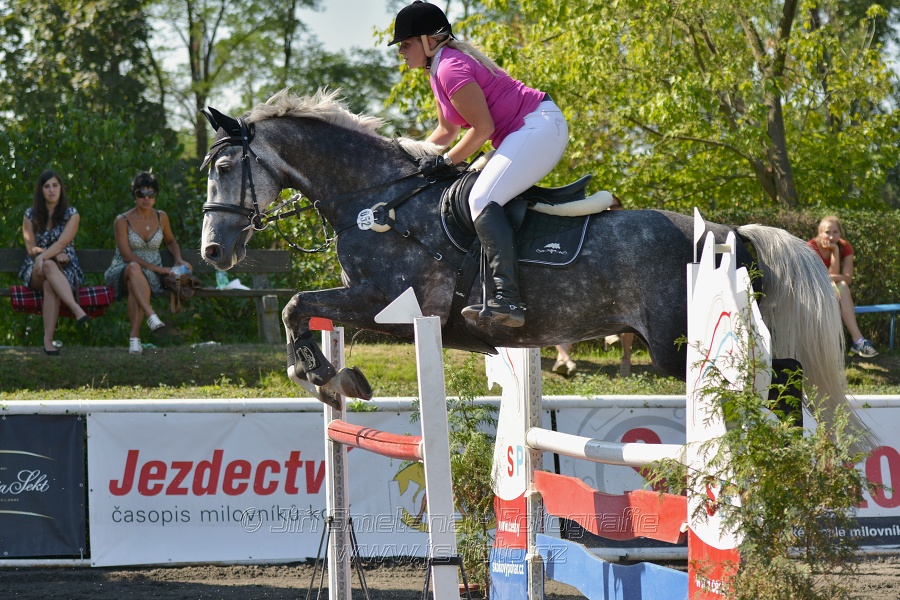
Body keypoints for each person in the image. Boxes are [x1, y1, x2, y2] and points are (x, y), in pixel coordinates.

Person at [389, 1, 569, 328]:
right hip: (526, 131)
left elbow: (482, 129)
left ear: (430, 41)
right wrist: (413, 160)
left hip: (538, 128)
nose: (401, 50)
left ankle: (508, 299)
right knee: (476, 191)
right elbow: (447, 131)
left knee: (480, 199)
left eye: (406, 42)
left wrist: (445, 162)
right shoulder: (439, 68)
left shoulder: (449, 68)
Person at [104, 172, 191, 355]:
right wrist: (159, 269)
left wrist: (178, 259)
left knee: (137, 284)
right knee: (134, 269)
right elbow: (127, 255)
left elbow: (171, 241)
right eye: (141, 193)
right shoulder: (122, 220)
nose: (146, 198)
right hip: (121, 270)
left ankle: (134, 339)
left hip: (149, 276)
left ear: (156, 196)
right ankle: (150, 314)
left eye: (151, 194)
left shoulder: (161, 217)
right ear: (134, 195)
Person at [19, 170, 90, 355]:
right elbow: (31, 249)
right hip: (36, 267)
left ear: (61, 188)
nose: (51, 190)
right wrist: (46, 256)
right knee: (48, 266)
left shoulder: (71, 214)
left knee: (50, 285)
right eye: (47, 186)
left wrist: (48, 256)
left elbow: (62, 243)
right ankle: (76, 309)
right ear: (41, 191)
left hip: (66, 267)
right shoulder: (30, 214)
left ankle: (48, 341)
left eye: (55, 185)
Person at [807, 215, 877, 358]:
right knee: (837, 288)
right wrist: (832, 277)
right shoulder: (811, 247)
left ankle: (857, 341)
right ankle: (839, 346)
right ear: (820, 232)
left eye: (835, 232)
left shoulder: (844, 246)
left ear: (840, 233)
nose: (831, 236)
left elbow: (847, 278)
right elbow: (813, 280)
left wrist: (835, 251)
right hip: (813, 292)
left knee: (843, 286)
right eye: (827, 232)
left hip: (834, 291)